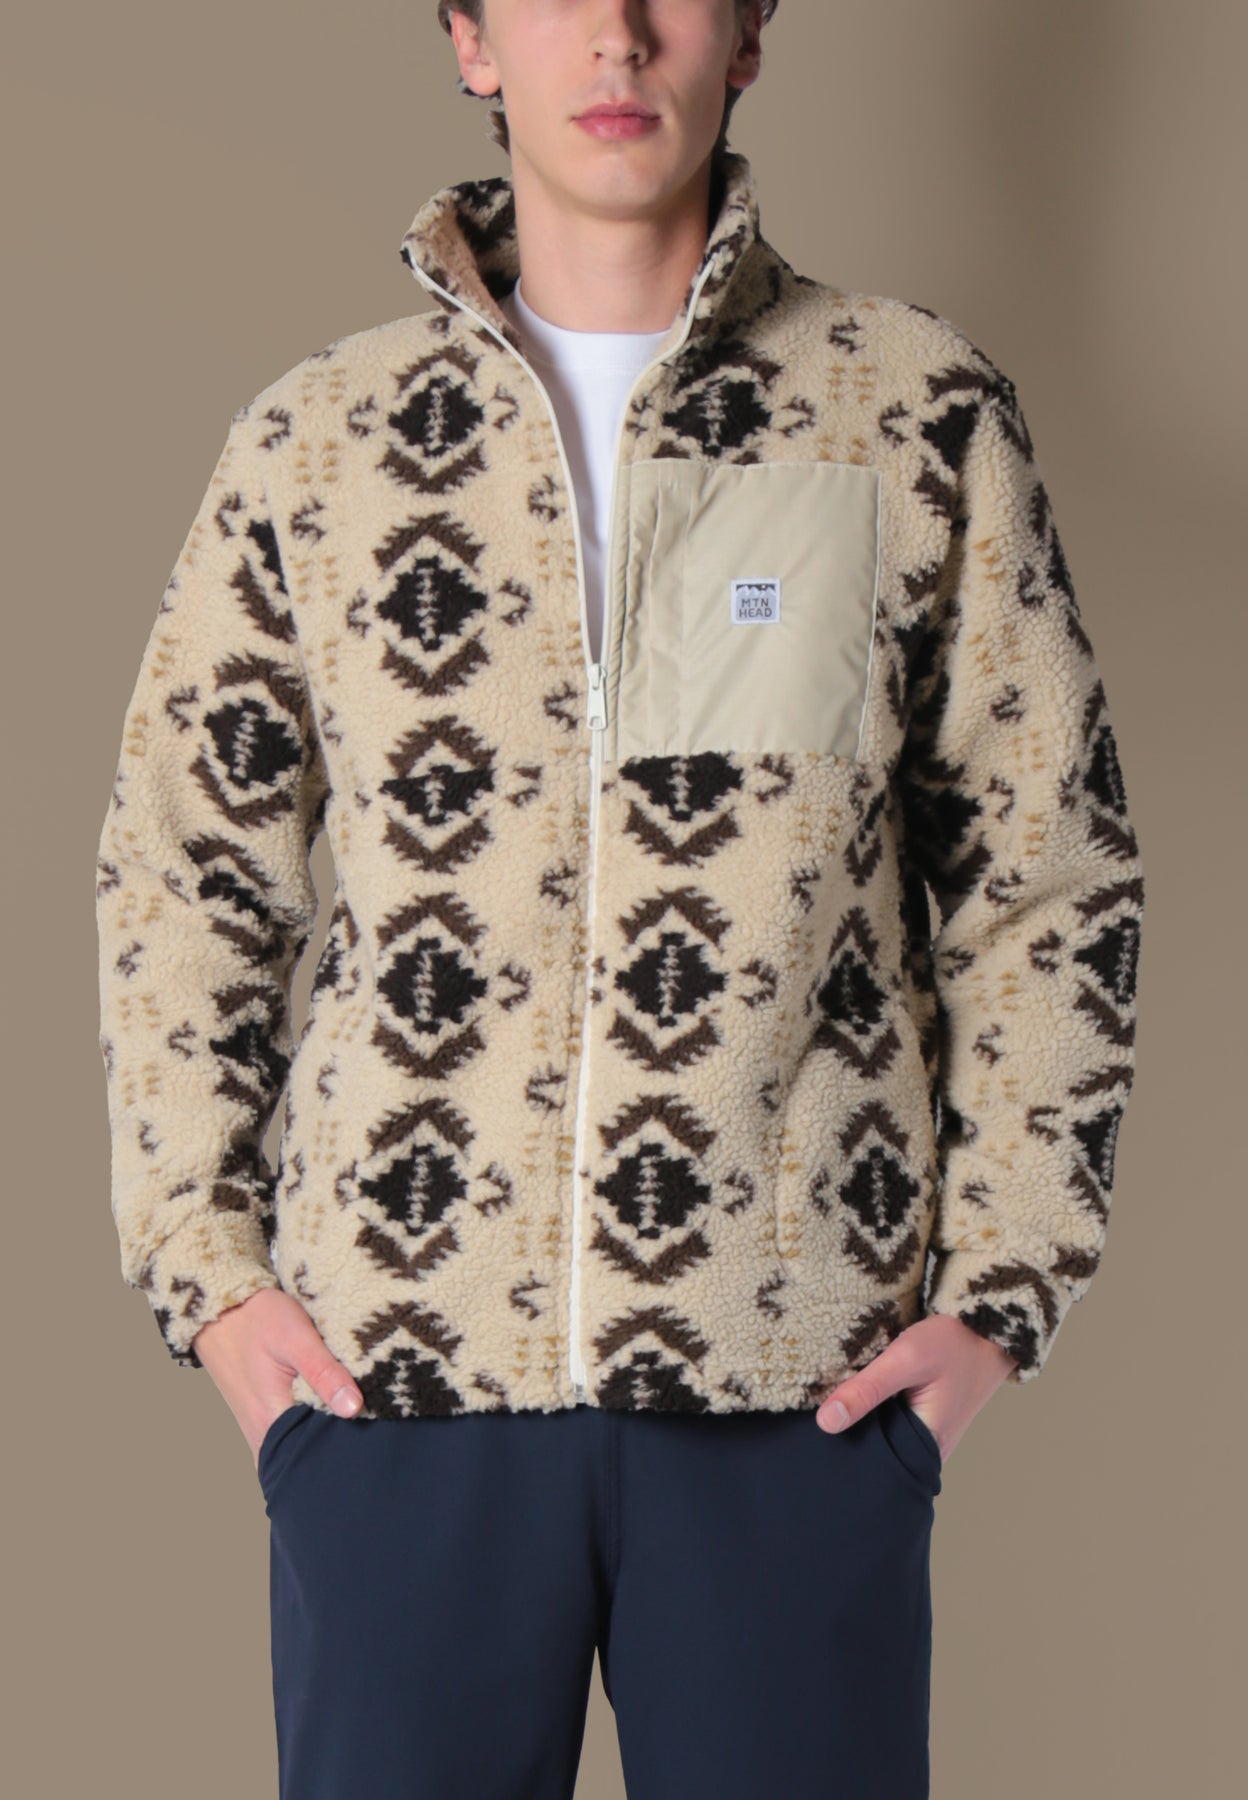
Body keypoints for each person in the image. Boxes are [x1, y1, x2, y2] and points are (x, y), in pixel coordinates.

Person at [94, 3, 1145, 1795]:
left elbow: (1048, 872)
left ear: (746, 38)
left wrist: (1000, 1296)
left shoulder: (908, 410)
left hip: (794, 1392)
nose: (619, 31)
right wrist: (205, 1274)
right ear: (469, 41)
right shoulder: (317, 447)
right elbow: (187, 871)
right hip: (395, 1387)